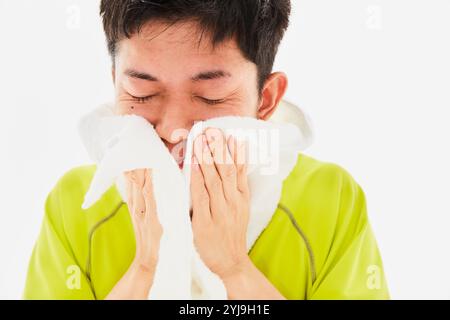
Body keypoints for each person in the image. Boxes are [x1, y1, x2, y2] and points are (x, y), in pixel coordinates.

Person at [23, 0, 389, 300]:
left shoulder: (330, 200)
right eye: (141, 93)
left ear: (266, 99)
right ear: (115, 84)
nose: (175, 129)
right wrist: (147, 267)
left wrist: (234, 268)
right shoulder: (77, 204)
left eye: (210, 96)